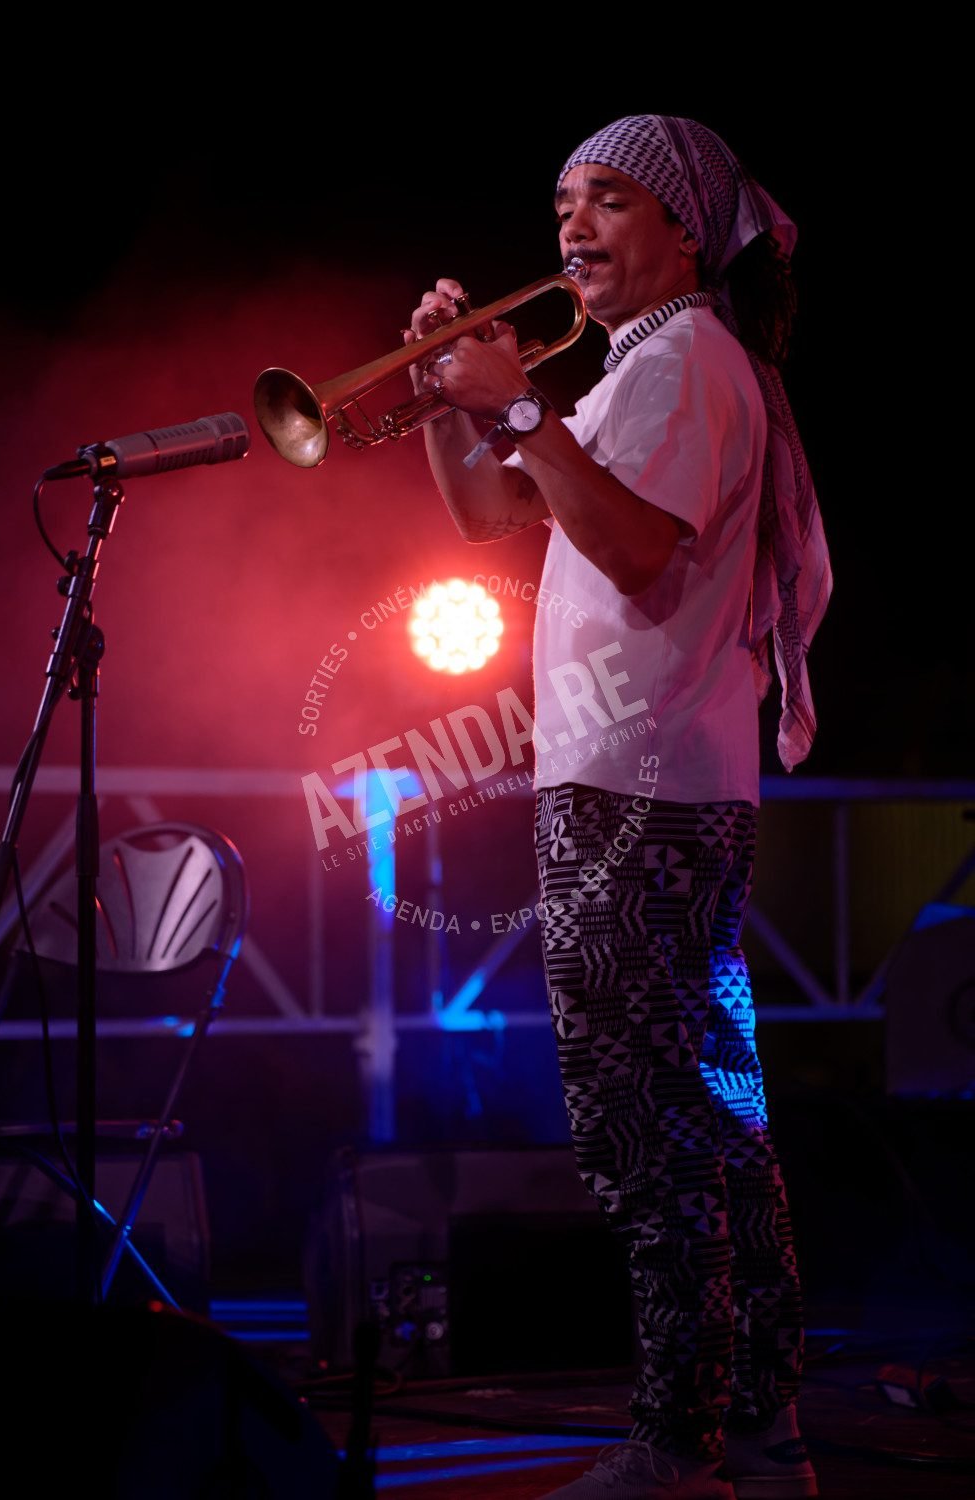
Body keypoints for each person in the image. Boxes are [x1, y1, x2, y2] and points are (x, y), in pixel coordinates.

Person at [406, 115, 831, 1500]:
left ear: (686, 231)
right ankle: (755, 1424)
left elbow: (639, 548)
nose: (571, 228)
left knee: (643, 1126)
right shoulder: (644, 367)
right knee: (714, 1116)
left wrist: (521, 405)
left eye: (607, 200)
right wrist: (451, 401)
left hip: (634, 797)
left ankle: (677, 1442)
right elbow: (491, 516)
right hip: (657, 791)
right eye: (561, 203)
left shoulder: (690, 360)